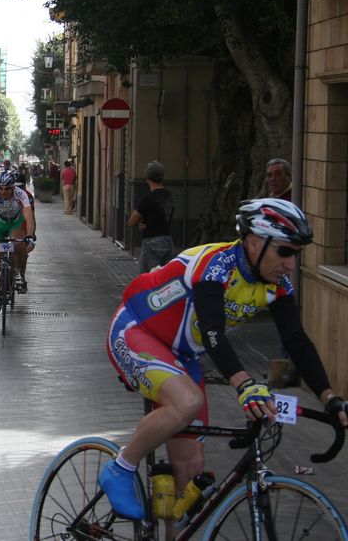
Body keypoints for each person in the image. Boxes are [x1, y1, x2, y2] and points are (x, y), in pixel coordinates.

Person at [99, 198, 348, 522]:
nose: (290, 264)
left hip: (182, 355)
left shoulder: (276, 285)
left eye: (295, 254)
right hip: (137, 330)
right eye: (285, 252)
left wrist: (329, 398)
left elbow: (297, 341)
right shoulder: (215, 266)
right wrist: (245, 384)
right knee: (187, 401)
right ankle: (119, 468)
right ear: (255, 242)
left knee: (189, 474)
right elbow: (213, 332)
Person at [0, 171, 36, 317]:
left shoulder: (21, 194)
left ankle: (17, 272)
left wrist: (30, 236)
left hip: (15, 224)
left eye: (7, 189)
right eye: (0, 188)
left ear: (13, 187)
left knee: (18, 243)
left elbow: (29, 217)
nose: (3, 192)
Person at [129, 161, 174, 273]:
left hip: (152, 243)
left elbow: (131, 221)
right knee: (165, 278)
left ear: (147, 178)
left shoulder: (148, 199)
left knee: (147, 277)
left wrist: (140, 221)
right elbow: (160, 216)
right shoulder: (169, 196)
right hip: (168, 242)